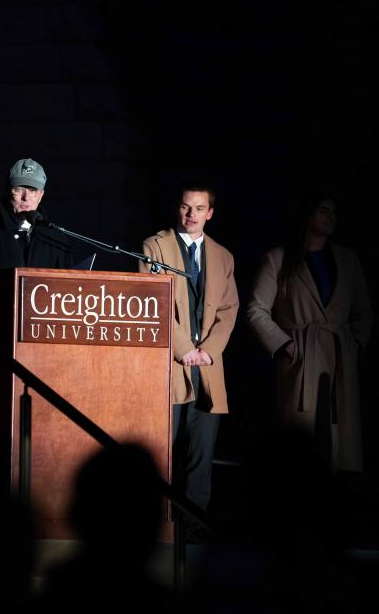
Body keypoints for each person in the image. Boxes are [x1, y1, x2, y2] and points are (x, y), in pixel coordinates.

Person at [245, 192, 372, 472]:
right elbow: (256, 309)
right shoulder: (278, 259)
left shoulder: (348, 260)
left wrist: (355, 345)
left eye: (333, 213)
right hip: (302, 359)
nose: (330, 218)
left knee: (341, 447)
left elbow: (364, 311)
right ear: (308, 214)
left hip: (340, 358)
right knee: (302, 449)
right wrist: (287, 345)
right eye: (324, 210)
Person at [139, 184, 239, 519]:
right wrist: (184, 348)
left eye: (198, 208)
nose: (191, 215)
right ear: (177, 208)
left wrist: (208, 351)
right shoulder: (155, 246)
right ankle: (160, 521)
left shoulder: (223, 255)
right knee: (163, 448)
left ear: (210, 213)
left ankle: (195, 524)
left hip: (208, 365)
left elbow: (229, 309)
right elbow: (152, 302)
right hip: (170, 361)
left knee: (202, 451)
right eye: (185, 207)